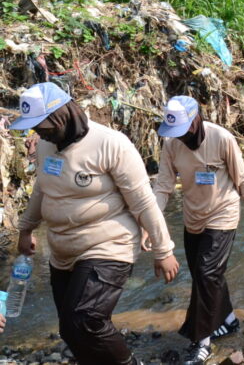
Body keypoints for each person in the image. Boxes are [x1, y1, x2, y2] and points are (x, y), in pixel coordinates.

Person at [13, 82, 180, 365]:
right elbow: (42, 189)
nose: (37, 132)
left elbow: (143, 201)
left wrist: (163, 250)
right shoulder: (45, 146)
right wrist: (26, 228)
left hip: (108, 244)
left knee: (86, 320)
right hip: (62, 249)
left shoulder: (111, 144)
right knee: (69, 328)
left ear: (62, 116)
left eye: (41, 125)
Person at [151, 96, 244, 363]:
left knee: (205, 273)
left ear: (196, 121)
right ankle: (227, 318)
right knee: (207, 275)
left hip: (223, 214)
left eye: (183, 131)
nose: (180, 138)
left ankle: (201, 341)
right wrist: (151, 221)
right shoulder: (171, 144)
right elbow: (163, 187)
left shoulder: (221, 138)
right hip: (193, 218)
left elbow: (242, 178)